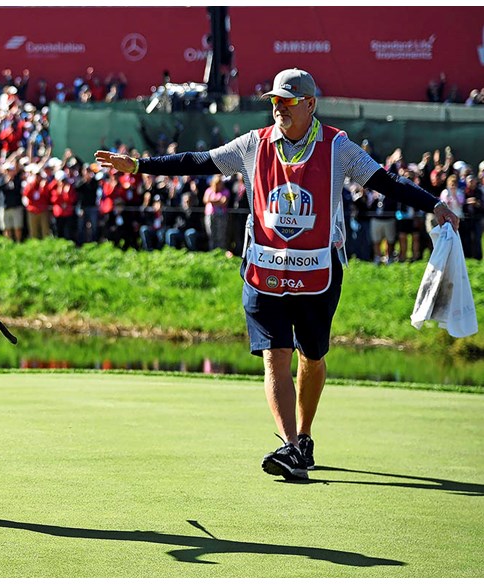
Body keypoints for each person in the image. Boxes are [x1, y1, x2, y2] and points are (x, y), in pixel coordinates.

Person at [96, 68, 459, 481]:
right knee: (275, 355)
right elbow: (199, 162)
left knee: (312, 357)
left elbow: (384, 181)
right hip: (263, 268)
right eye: (273, 101)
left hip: (319, 271)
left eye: (286, 101)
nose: (277, 108)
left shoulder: (338, 147)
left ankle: (303, 436)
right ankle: (289, 446)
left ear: (309, 104)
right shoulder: (254, 143)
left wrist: (435, 205)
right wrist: (141, 166)